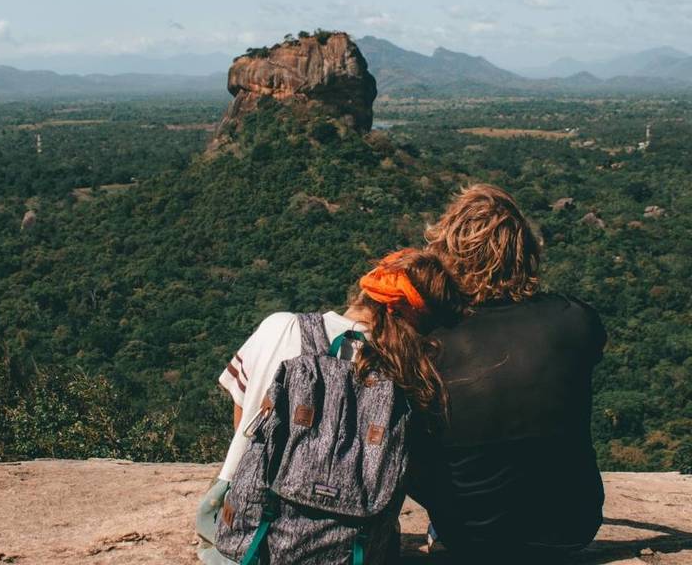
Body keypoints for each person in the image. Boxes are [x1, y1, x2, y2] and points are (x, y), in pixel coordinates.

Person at [196, 248, 462, 564]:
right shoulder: (410, 376)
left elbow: (243, 419)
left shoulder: (282, 327)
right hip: (352, 548)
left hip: (250, 541)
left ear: (367, 290)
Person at [408, 184, 607, 563]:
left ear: (447, 254)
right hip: (572, 526)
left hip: (469, 533)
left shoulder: (432, 341)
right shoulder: (577, 320)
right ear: (527, 251)